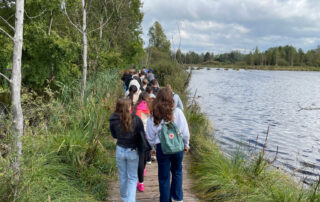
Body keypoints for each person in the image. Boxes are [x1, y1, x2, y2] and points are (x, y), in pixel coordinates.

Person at [146, 87, 190, 202]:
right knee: (177, 172)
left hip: (162, 148)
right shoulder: (178, 112)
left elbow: (150, 135)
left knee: (164, 177)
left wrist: (152, 148)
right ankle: (178, 198)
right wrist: (186, 145)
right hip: (177, 147)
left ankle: (165, 200)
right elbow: (185, 132)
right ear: (172, 99)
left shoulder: (154, 114)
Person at [109, 98, 145, 202]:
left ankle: (124, 198)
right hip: (133, 151)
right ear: (129, 107)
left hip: (120, 149)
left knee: (123, 176)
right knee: (133, 178)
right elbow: (142, 135)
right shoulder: (136, 119)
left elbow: (114, 135)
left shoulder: (113, 119)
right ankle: (130, 200)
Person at [135, 92, 151, 192]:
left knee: (140, 158)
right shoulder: (150, 109)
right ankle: (144, 169)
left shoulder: (137, 109)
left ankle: (141, 183)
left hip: (140, 136)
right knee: (146, 155)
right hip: (149, 135)